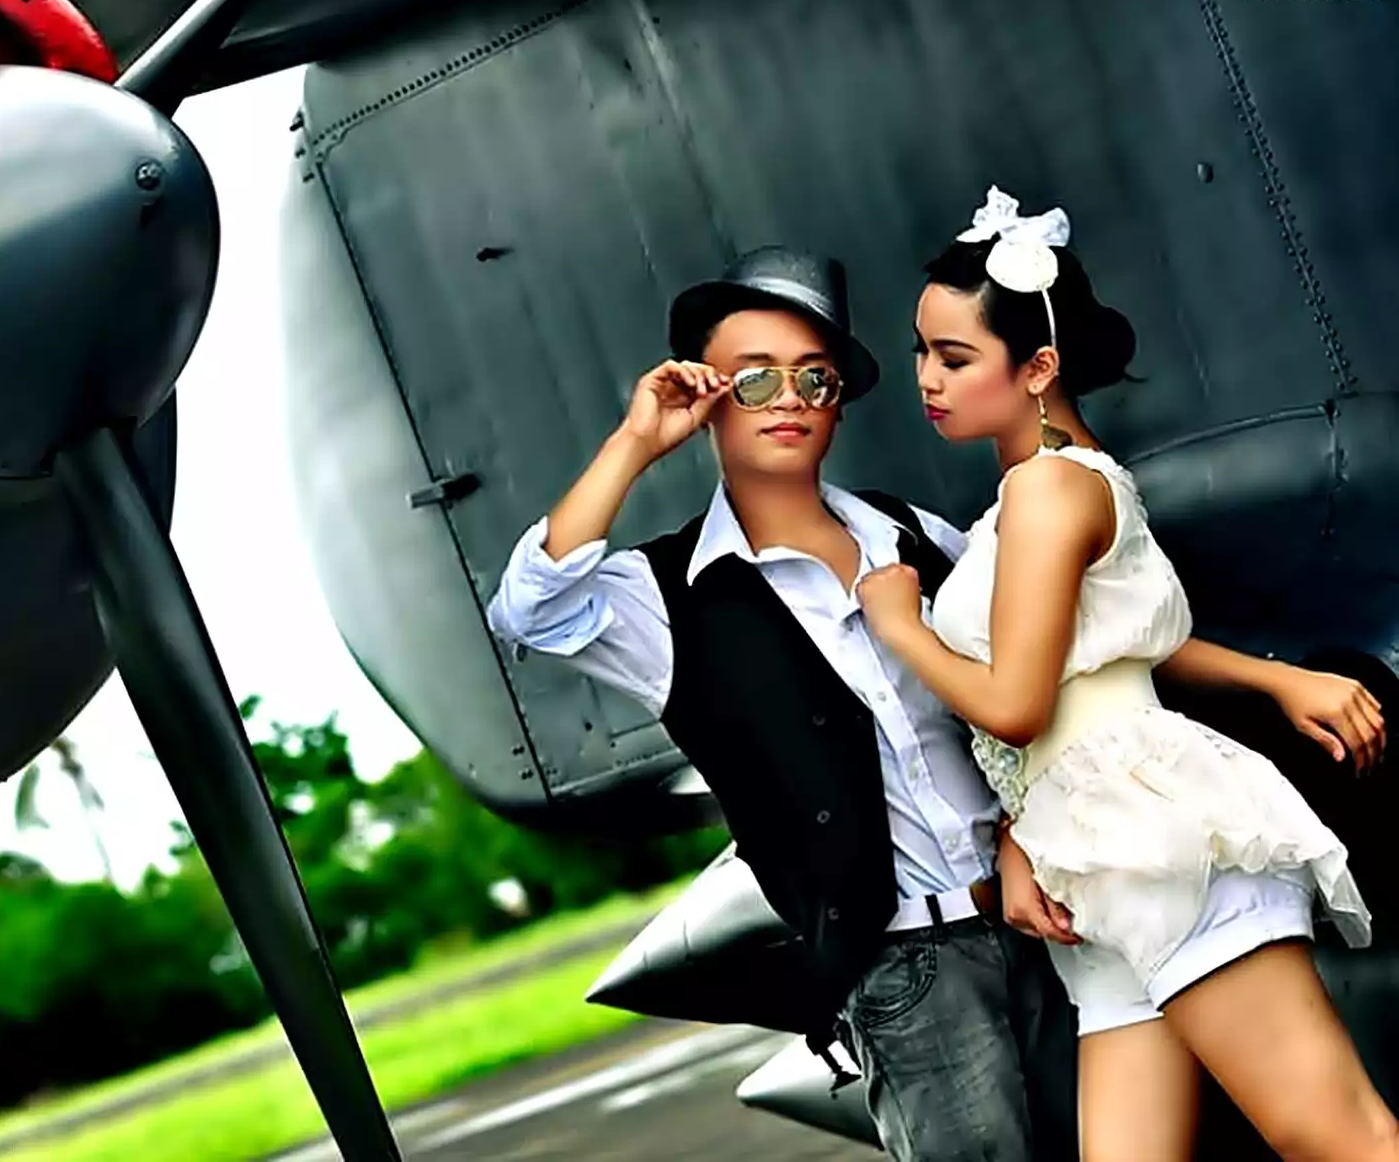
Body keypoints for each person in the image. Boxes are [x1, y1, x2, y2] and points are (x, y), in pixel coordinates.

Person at [484, 246, 1382, 1161]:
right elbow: (529, 608)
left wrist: (1020, 829)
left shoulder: (919, 537)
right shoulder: (669, 598)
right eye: (753, 380)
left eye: (815, 378)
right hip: (907, 972)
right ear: (708, 396)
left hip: (1050, 911)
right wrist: (638, 441)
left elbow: (1081, 649)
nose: (789, 399)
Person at [860, 185, 1398, 1160]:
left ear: (1038, 367)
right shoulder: (1048, 484)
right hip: (1087, 855)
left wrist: (901, 626)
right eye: (920, 352)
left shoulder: (1048, 490)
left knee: (1338, 1138)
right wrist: (1276, 680)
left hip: (1147, 834)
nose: (926, 380)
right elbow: (1118, 641)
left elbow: (1018, 706)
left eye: (953, 357)